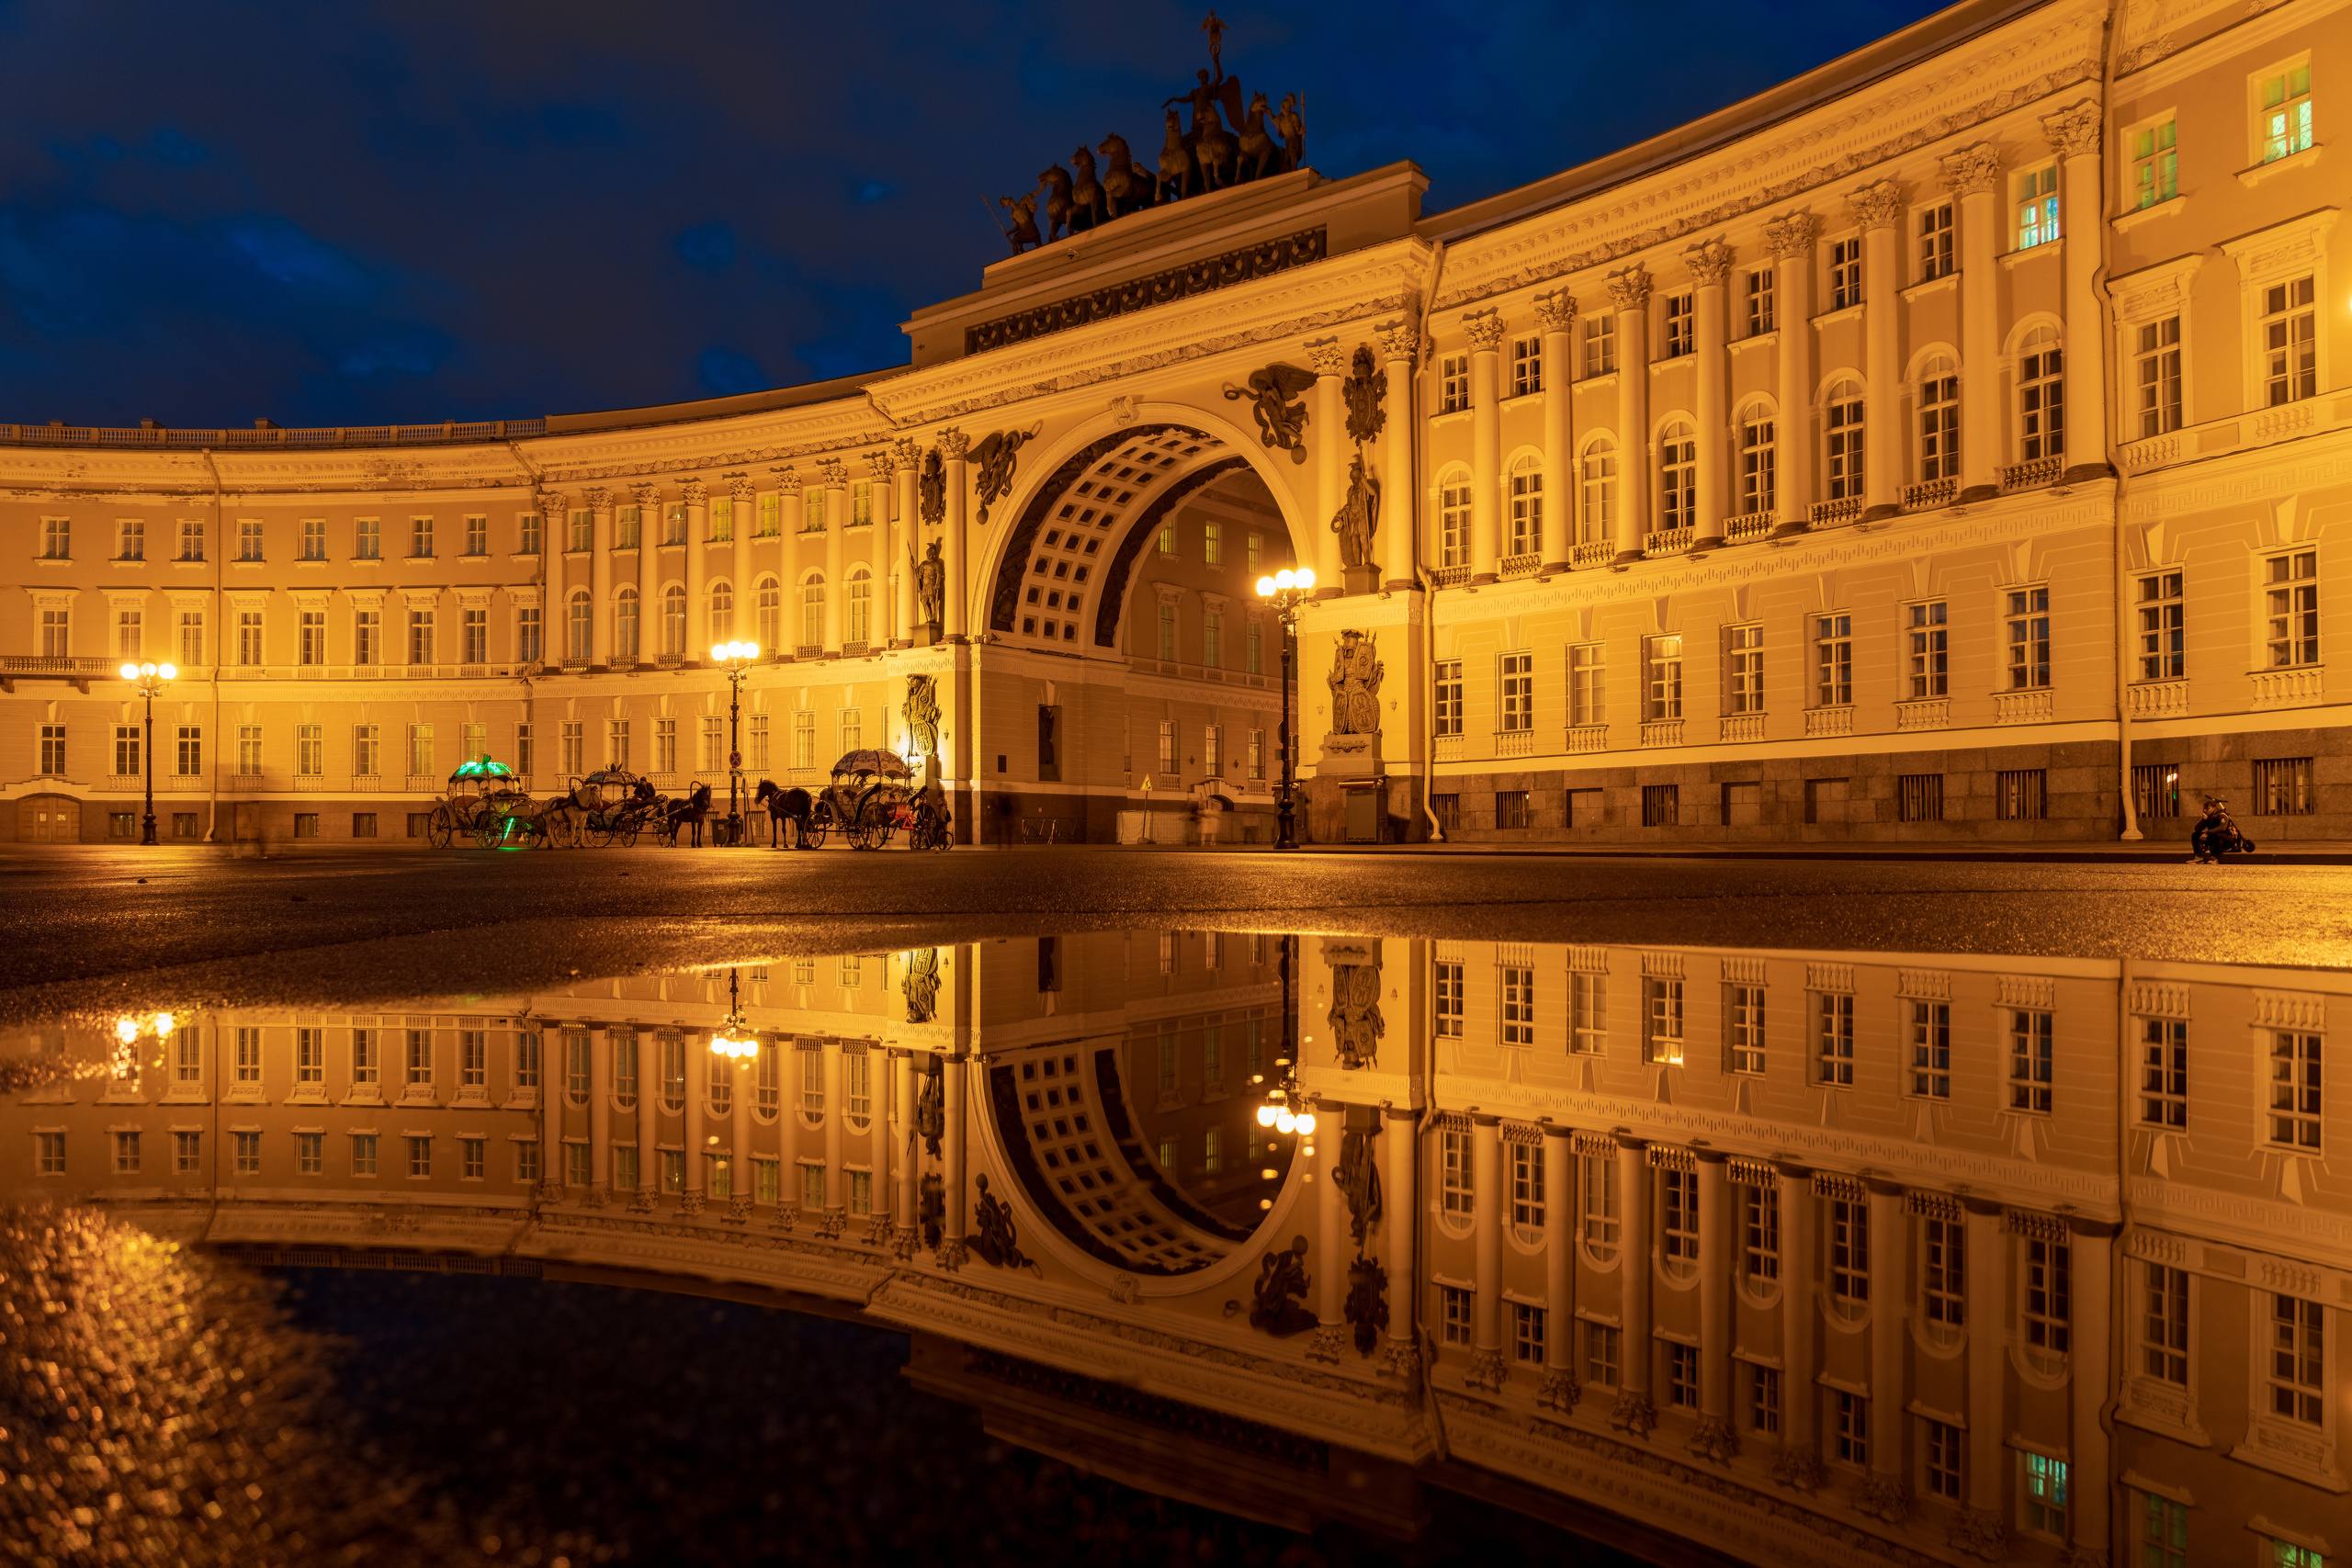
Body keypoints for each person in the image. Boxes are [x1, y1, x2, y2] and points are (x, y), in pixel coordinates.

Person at [2188, 795, 2252, 862]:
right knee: (2195, 835)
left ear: (2214, 808)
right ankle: (2199, 856)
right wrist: (2204, 821)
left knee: (2218, 835)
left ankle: (2215, 857)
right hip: (2215, 839)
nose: (2204, 810)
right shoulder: (2208, 817)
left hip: (2228, 840)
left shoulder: (2222, 815)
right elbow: (2197, 829)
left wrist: (2207, 833)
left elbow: (2222, 828)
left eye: (2207, 809)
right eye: (2204, 808)